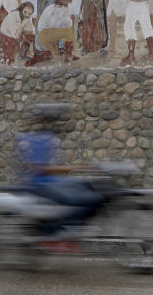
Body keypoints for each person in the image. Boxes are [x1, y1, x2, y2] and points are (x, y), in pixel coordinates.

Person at [16, 103, 104, 248]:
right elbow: (44, 168)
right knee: (84, 198)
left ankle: (67, 231)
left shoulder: (47, 140)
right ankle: (55, 233)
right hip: (37, 184)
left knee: (85, 189)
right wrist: (78, 168)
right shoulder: (39, 141)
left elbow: (56, 167)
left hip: (49, 181)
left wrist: (76, 169)